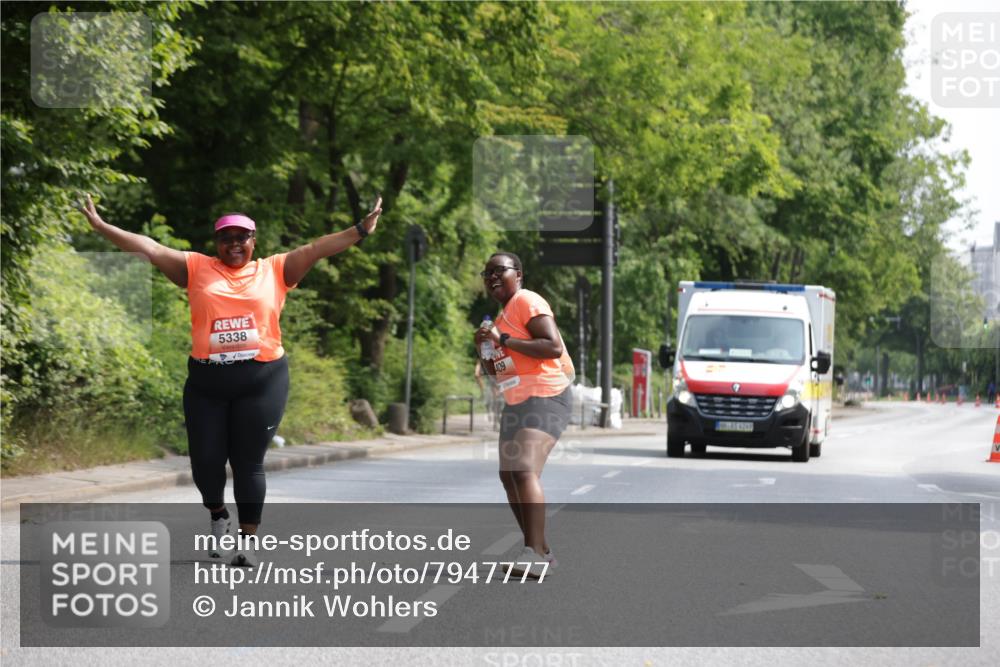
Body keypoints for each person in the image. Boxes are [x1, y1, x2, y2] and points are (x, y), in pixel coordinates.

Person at [78, 193, 382, 566]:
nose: (235, 244)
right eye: (227, 238)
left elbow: (317, 248)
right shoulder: (195, 267)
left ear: (254, 241)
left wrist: (360, 230)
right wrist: (102, 226)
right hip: (208, 382)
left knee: (248, 463)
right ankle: (218, 514)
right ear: (216, 242)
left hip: (262, 378)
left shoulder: (275, 269)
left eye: (242, 237)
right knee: (205, 463)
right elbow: (150, 248)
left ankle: (248, 541)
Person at [475, 252, 574, 577]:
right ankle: (542, 551)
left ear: (517, 274)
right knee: (509, 476)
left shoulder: (526, 300)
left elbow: (552, 346)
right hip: (517, 402)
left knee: (523, 470)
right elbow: (501, 371)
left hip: (546, 395)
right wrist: (485, 350)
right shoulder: (501, 319)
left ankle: (533, 553)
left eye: (498, 271)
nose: (491, 277)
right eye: (486, 273)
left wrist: (503, 339)